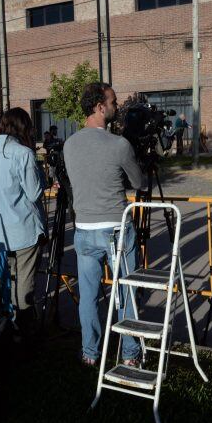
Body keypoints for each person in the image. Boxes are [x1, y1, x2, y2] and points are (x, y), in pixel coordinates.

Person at [63, 82, 144, 366]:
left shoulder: (69, 144)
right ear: (100, 107)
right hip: (115, 229)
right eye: (113, 102)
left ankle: (90, 353)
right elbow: (139, 182)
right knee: (127, 292)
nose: (116, 106)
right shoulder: (119, 144)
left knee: (88, 296)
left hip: (84, 229)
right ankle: (131, 354)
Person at [0, 107, 46, 329]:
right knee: (24, 281)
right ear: (23, 127)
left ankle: (11, 322)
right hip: (22, 228)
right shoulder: (23, 153)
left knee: (10, 278)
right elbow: (34, 192)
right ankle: (24, 326)